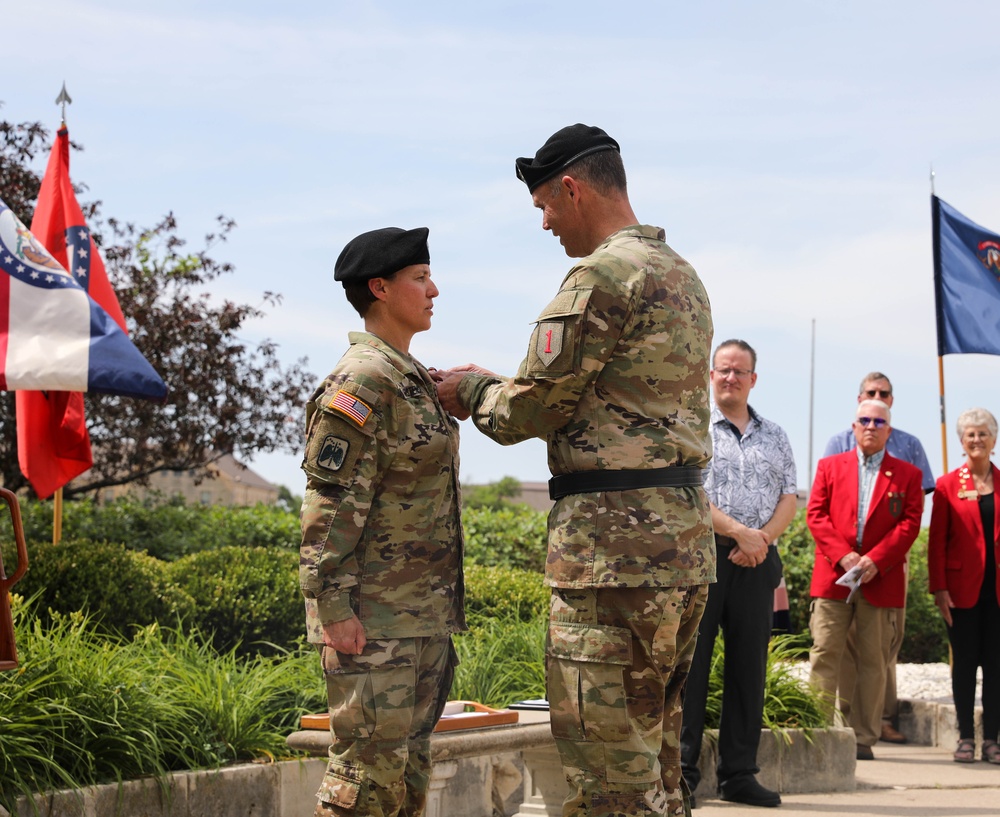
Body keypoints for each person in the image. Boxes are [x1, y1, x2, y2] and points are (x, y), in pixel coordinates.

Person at [435, 123, 714, 817]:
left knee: (609, 784)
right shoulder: (682, 274)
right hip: (679, 553)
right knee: (659, 774)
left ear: (572, 186)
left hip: (610, 561)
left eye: (544, 207)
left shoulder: (601, 275)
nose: (547, 224)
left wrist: (469, 391)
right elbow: (607, 398)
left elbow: (529, 409)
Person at [299, 227, 466, 816]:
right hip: (373, 624)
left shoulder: (410, 376)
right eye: (419, 279)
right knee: (364, 783)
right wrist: (334, 610)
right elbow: (329, 507)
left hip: (419, 619)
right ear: (380, 288)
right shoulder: (364, 381)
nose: (434, 290)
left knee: (407, 778)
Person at [680, 339, 797, 809]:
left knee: (749, 670)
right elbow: (689, 495)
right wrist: (736, 532)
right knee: (693, 669)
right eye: (723, 370)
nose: (731, 378)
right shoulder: (693, 429)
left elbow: (790, 496)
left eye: (739, 371)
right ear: (711, 376)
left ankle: (739, 773)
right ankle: (683, 773)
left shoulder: (776, 435)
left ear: (753, 379)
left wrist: (762, 539)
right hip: (705, 558)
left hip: (758, 562)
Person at [807, 399, 923, 761]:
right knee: (825, 652)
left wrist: (876, 559)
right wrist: (843, 556)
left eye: (878, 421)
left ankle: (862, 738)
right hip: (833, 576)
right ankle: (820, 730)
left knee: (874, 661)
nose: (870, 426)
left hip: (880, 579)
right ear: (853, 427)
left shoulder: (908, 474)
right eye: (864, 420)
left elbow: (910, 522)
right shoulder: (829, 466)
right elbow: (815, 513)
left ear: (889, 430)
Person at [927, 407, 1000, 765]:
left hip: (998, 594)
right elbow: (936, 541)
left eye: (983, 433)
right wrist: (939, 588)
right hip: (960, 592)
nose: (977, 440)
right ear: (961, 441)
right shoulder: (946, 486)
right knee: (965, 665)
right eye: (970, 434)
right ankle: (966, 738)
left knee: (997, 667)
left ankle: (992, 740)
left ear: (994, 440)